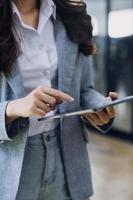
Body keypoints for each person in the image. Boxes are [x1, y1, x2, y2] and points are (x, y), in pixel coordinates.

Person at [0, 0, 117, 200]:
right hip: (11, 164)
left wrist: (99, 106)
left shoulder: (72, 16)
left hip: (67, 159)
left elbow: (84, 89)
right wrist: (15, 108)